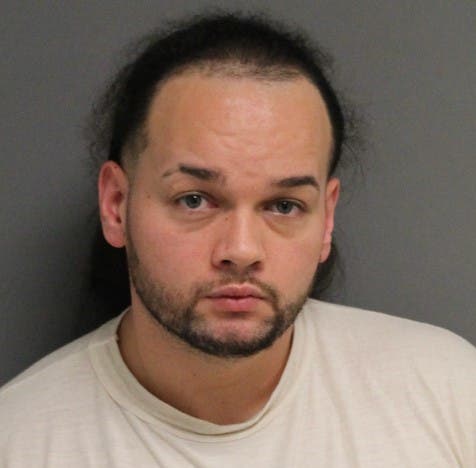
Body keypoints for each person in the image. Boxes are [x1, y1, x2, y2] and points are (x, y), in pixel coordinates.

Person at [1, 13, 475, 467]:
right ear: (116, 205)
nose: (242, 250)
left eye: (284, 205)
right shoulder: (18, 443)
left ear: (327, 217)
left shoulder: (449, 388)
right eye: (194, 200)